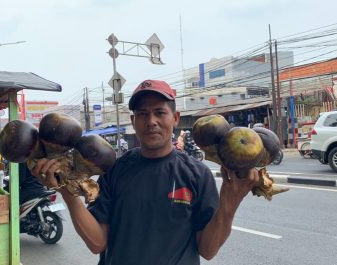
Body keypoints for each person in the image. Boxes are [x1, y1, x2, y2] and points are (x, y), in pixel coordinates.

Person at [31, 79, 259, 265]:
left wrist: (230, 202)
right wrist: (67, 193)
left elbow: (207, 250)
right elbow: (97, 243)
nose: (151, 121)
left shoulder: (197, 174)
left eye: (160, 112)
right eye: (142, 114)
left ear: (175, 119)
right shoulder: (115, 170)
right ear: (133, 120)